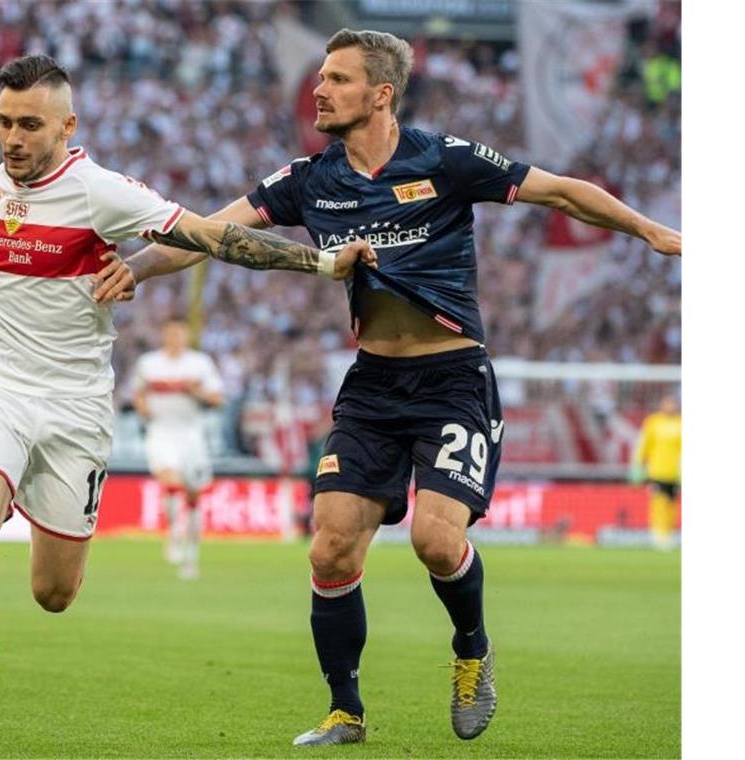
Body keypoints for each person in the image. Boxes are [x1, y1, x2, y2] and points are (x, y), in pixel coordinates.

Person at [94, 28, 681, 746]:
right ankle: (346, 711)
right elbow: (207, 231)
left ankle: (471, 647)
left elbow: (558, 191)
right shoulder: (309, 178)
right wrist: (135, 268)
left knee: (438, 543)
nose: (319, 89)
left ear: (380, 94)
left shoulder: (445, 159)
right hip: (373, 384)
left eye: (337, 79)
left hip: (453, 380)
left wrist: (649, 229)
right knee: (330, 549)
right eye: (319, 78)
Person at [0, 53, 373, 726]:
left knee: (55, 592)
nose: (13, 139)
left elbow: (212, 237)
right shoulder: (2, 177)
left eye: (28, 124)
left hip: (76, 406)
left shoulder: (101, 192)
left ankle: (17, 491)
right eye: (3, 123)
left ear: (66, 125)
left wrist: (321, 262)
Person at [130, 317, 225, 580]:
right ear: (164, 335)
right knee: (169, 478)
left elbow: (218, 399)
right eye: (170, 333)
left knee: (193, 494)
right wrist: (142, 407)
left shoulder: (200, 363)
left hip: (191, 434)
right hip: (161, 430)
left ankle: (191, 555)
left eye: (179, 334)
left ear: (186, 335)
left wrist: (198, 392)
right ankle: (173, 530)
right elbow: (137, 393)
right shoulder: (149, 364)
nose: (175, 338)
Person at [630, 394, 681, 549]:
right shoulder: (653, 422)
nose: (670, 407)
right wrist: (637, 465)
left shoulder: (681, 423)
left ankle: (669, 533)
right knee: (658, 502)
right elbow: (643, 444)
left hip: (676, 472)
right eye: (667, 403)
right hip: (657, 470)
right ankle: (658, 535)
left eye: (672, 404)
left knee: (672, 503)